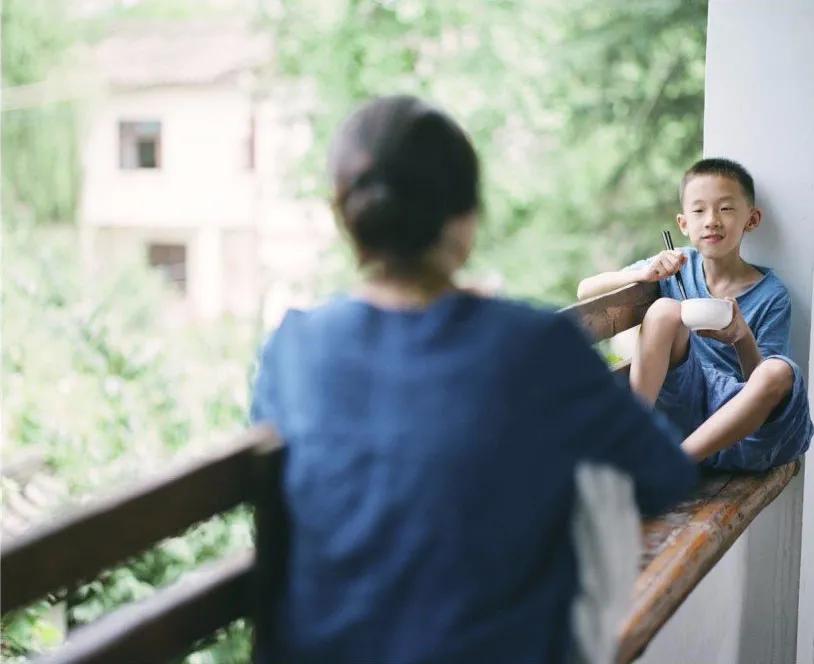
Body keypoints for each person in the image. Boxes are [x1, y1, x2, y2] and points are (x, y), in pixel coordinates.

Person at [250, 95, 696, 664]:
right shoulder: (532, 344)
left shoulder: (293, 349)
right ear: (464, 220)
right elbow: (664, 475)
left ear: (347, 218)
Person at [577, 158, 813, 470]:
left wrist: (742, 338)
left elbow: (761, 386)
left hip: (741, 429)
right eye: (699, 210)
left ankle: (671, 465)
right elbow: (585, 290)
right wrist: (644, 274)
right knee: (663, 310)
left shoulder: (771, 294)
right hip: (685, 405)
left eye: (726, 208)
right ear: (684, 224)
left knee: (779, 371)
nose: (712, 220)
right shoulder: (676, 268)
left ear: (752, 219)